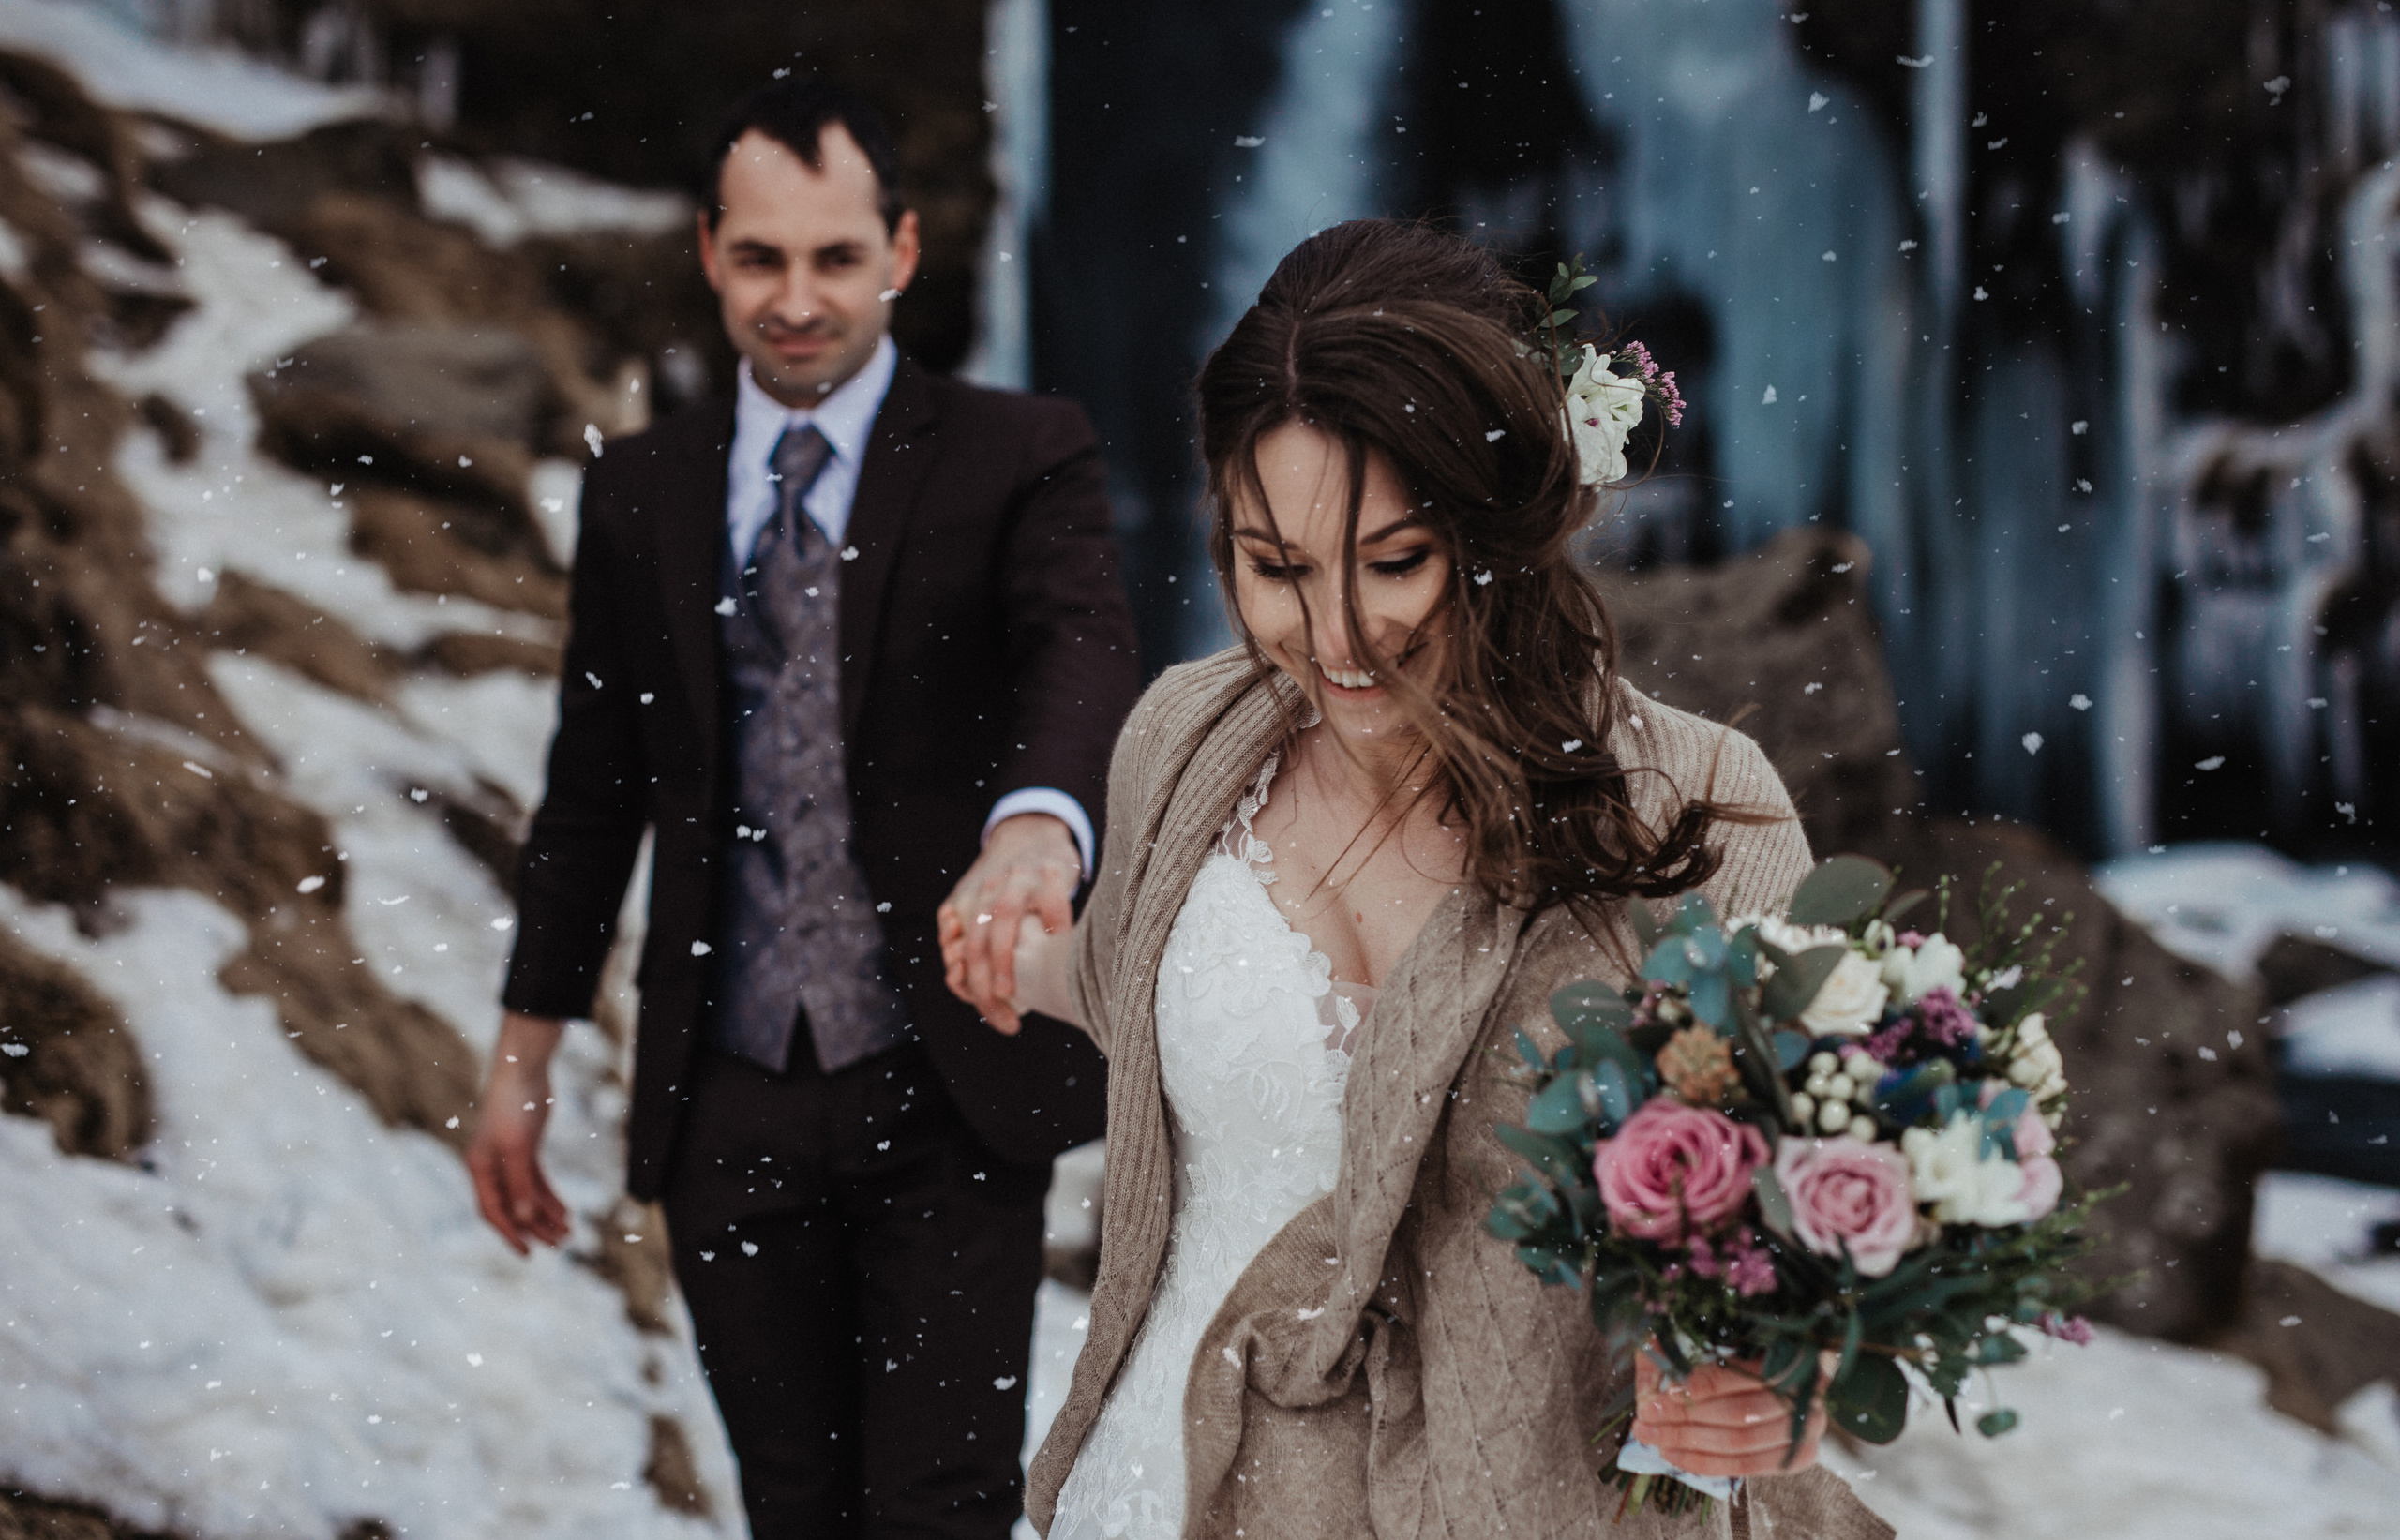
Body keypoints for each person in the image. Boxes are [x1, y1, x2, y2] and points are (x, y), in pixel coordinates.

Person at [941, 220, 1891, 1539]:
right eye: (1276, 569)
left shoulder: (1697, 809)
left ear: (1504, 529)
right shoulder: (1180, 741)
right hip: (1173, 1486)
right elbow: (1130, 983)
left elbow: (1832, 1191)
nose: (1333, 638)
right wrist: (1013, 951)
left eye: (1395, 562)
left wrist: (1788, 1366)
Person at [465, 76, 1142, 1539]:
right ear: (710, 253)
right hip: (728, 1097)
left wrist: (1035, 826)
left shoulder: (1016, 455)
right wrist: (524, 1053)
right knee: (794, 1509)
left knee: (943, 1507)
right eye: (762, 258)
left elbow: (1081, 652)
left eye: (835, 258)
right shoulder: (642, 490)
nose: (797, 299)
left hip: (946, 1080)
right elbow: (594, 790)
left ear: (900, 252)